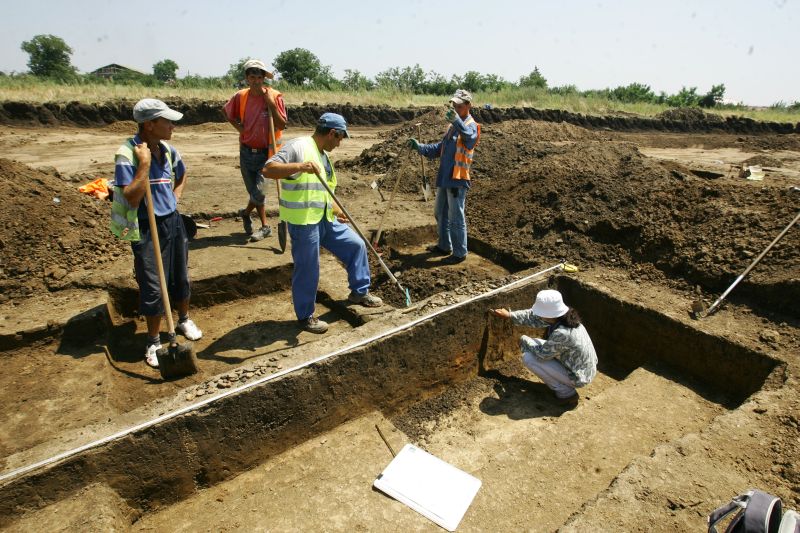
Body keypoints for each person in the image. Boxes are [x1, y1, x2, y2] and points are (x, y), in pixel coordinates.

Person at [262, 113, 382, 333]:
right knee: (308, 268)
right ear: (332, 133)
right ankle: (305, 316)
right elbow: (268, 169)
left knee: (356, 245)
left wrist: (336, 210)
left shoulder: (324, 155)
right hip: (304, 221)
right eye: (340, 138)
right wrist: (300, 166)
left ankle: (359, 292)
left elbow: (323, 190)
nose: (340, 143)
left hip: (325, 218)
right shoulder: (299, 147)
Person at [112, 99, 202, 368]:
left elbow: (183, 175)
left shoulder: (169, 149)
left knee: (180, 275)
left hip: (171, 221)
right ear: (150, 125)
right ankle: (153, 340)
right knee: (152, 284)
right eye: (167, 121)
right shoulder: (127, 154)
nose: (173, 126)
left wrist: (175, 197)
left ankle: (183, 319)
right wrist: (144, 165)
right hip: (144, 225)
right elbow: (130, 198)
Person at [406, 88, 480, 265]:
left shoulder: (471, 125)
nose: (455, 108)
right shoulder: (452, 127)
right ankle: (444, 245)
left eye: (459, 105)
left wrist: (457, 121)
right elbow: (441, 148)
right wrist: (421, 147)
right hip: (445, 177)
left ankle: (460, 251)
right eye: (453, 105)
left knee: (456, 217)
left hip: (458, 178)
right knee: (440, 212)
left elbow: (469, 139)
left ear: (468, 105)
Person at [490, 289, 597, 405]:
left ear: (548, 314)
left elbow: (542, 356)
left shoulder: (562, 333)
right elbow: (532, 317)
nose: (538, 315)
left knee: (529, 358)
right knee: (535, 343)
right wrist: (510, 315)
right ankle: (564, 385)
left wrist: (524, 341)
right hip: (584, 367)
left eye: (540, 313)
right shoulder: (566, 318)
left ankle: (566, 393)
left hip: (579, 376)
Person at [224, 59, 287, 242]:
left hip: (268, 153)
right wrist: (241, 129)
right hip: (246, 152)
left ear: (264, 78)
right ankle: (263, 225)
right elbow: (226, 112)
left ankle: (248, 215)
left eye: (260, 77)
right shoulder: (240, 96)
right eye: (253, 77)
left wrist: (271, 104)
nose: (256, 81)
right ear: (247, 78)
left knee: (259, 192)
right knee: (255, 192)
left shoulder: (274, 97)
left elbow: (283, 123)